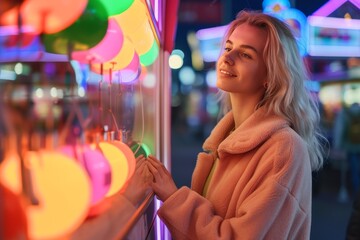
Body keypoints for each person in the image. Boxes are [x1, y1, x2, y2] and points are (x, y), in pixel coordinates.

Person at [146, 10, 326, 239]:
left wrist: (174, 198)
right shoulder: (227, 138)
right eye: (229, 48)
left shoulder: (284, 148)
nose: (227, 58)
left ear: (270, 75)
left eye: (246, 55)